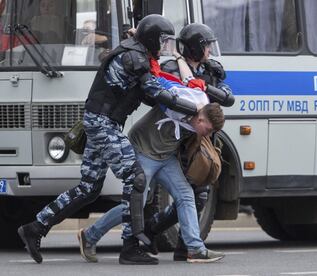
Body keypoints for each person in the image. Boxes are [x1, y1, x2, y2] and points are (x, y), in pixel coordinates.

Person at [17, 14, 198, 265]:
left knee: (89, 188)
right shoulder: (134, 57)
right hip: (103, 124)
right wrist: (193, 106)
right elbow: (155, 93)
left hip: (98, 121)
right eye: (163, 41)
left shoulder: (135, 53)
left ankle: (35, 228)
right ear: (151, 39)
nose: (165, 47)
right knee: (135, 179)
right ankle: (131, 247)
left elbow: (143, 95)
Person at [77, 51, 226, 263]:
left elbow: (189, 79)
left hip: (166, 156)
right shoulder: (182, 100)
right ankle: (89, 236)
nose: (206, 135)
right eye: (206, 129)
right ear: (200, 116)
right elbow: (160, 84)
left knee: (185, 196)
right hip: (143, 149)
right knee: (137, 200)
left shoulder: (201, 98)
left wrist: (180, 59)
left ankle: (195, 248)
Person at [146, 23, 235, 261]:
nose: (209, 51)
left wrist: (203, 87)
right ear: (196, 47)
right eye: (206, 46)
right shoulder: (171, 69)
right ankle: (167, 237)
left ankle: (176, 241)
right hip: (177, 140)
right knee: (189, 195)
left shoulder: (212, 70)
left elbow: (228, 98)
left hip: (202, 141)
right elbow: (162, 97)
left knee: (198, 195)